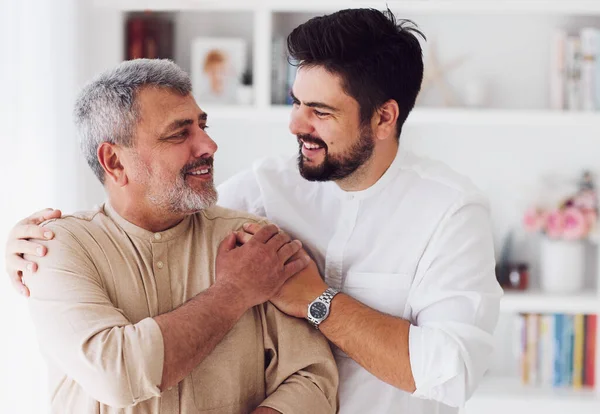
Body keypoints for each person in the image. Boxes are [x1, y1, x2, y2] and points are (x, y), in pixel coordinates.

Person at [5, 8, 502, 414]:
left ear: (384, 117)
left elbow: (451, 371)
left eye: (320, 112)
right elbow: (165, 203)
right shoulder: (263, 193)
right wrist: (28, 245)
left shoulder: (450, 213)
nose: (295, 124)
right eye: (296, 102)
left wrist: (316, 299)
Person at [6, 58, 338, 413]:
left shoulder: (253, 241)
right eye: (180, 133)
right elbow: (117, 375)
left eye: (202, 125)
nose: (209, 145)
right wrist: (234, 292)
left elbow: (313, 379)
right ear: (115, 162)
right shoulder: (53, 248)